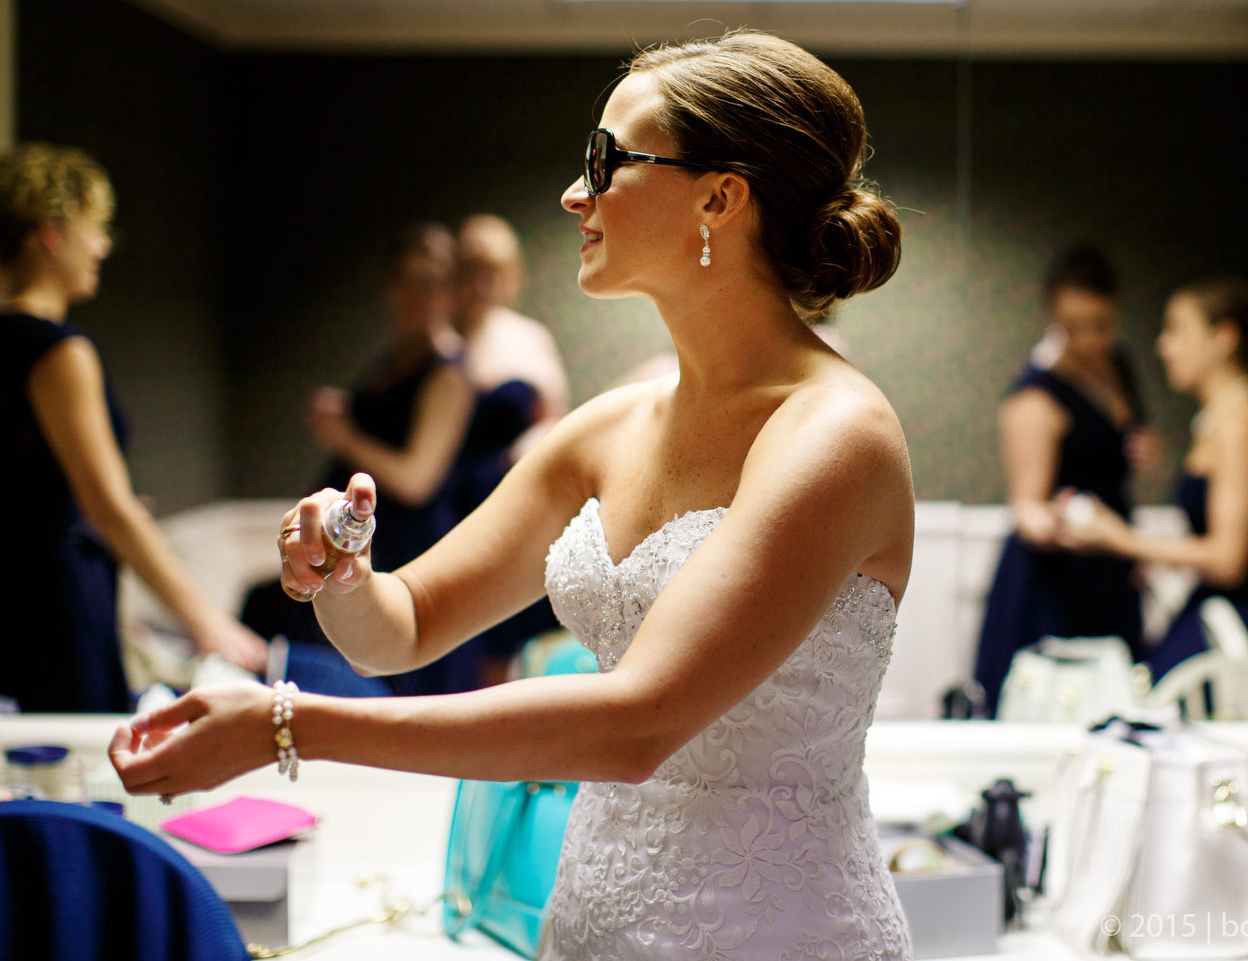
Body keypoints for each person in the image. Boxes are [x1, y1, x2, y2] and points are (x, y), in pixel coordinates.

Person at [111, 30, 913, 959]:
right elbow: (403, 627)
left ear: (719, 197)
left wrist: (289, 725)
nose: (575, 193)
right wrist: (345, 572)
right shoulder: (608, 431)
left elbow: (638, 723)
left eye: (606, 160)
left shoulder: (835, 434)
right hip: (590, 925)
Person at [0, 144, 266, 713]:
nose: (103, 246)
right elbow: (109, 508)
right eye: (96, 229)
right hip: (53, 608)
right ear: (51, 234)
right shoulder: (60, 353)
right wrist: (208, 623)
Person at [1057, 277, 1248, 678]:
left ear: (1223, 338)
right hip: (1214, 607)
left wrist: (1121, 539)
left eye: (1178, 331)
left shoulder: (1241, 423)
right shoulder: (1217, 419)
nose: (1164, 346)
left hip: (1239, 626)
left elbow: (1229, 560)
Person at [973, 245, 1157, 713]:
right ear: (1053, 317)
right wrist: (1052, 521)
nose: (1090, 339)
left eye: (1101, 324)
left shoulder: (1120, 369)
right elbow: (1027, 505)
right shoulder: (1036, 396)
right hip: (1057, 580)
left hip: (1110, 570)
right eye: (1074, 327)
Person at [441, 214, 569, 688]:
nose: (484, 283)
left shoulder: (529, 338)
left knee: (513, 631)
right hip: (452, 502)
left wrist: (530, 449)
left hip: (515, 494)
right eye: (473, 269)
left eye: (495, 270)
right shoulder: (441, 341)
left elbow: (555, 419)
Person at [309, 222, 472, 572]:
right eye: (406, 280)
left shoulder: (448, 374)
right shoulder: (393, 362)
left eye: (429, 284)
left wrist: (344, 438)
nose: (416, 295)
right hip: (360, 536)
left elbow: (416, 481)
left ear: (450, 294)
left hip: (403, 549)